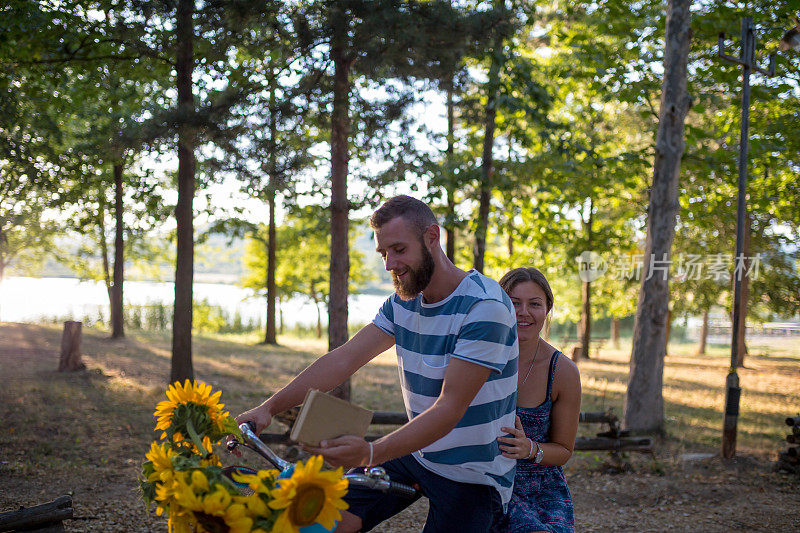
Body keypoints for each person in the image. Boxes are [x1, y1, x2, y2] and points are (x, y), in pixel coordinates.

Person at [233, 195, 518, 533]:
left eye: (398, 249)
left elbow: (450, 408)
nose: (389, 264)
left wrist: (370, 453)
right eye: (383, 253)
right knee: (320, 523)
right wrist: (269, 407)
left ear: (432, 236)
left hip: (473, 472)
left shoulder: (485, 308)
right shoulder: (402, 303)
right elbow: (344, 359)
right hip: (417, 452)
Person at [493, 267, 581, 533]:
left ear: (547, 310)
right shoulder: (476, 356)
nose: (524, 312)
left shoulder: (563, 371)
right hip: (487, 481)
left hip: (541, 487)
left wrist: (529, 448)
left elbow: (564, 450)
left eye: (535, 304)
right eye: (513, 302)